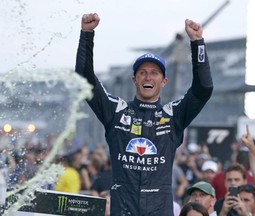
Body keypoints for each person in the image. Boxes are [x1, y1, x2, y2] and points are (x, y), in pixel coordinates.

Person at [75, 12, 213, 216]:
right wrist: (87, 35)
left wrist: (198, 43)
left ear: (163, 81)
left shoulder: (173, 115)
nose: (148, 76)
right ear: (135, 79)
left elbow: (203, 88)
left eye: (154, 73)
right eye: (143, 72)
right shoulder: (116, 111)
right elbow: (84, 79)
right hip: (123, 209)